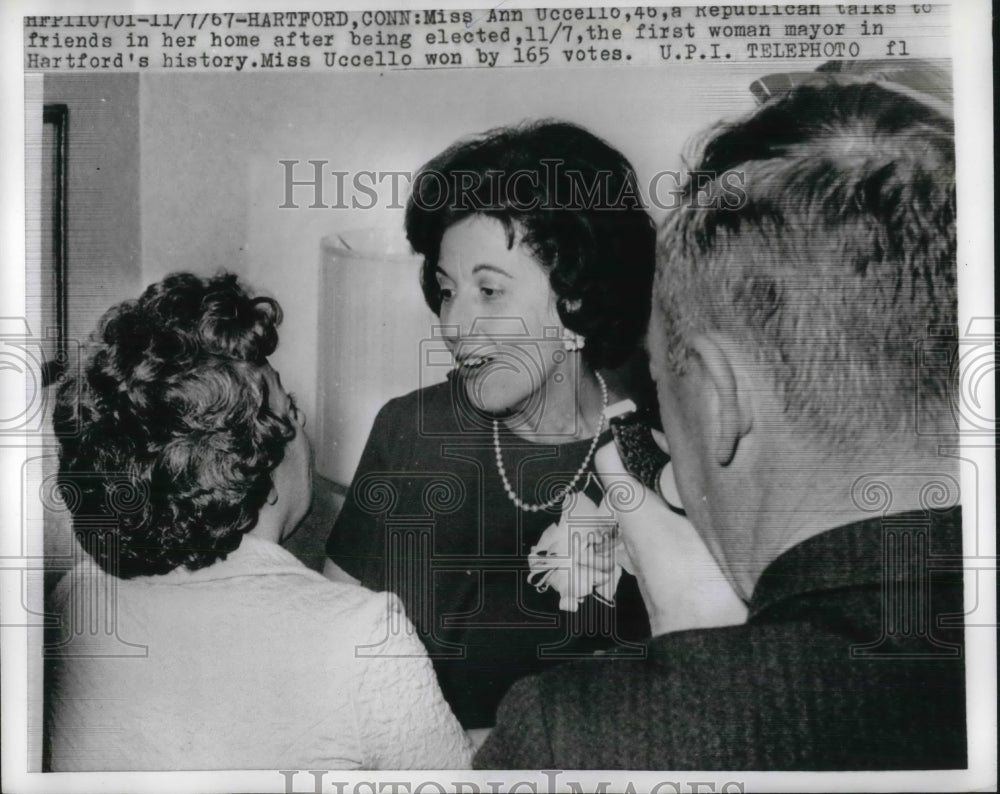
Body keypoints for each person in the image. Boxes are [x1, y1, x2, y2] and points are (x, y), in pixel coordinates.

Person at [475, 75, 966, 769]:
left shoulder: (579, 739)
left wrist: (697, 679)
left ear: (715, 395)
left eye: (666, 389)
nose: (673, 468)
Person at [46, 273, 471, 771]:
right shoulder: (364, 634)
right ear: (261, 457)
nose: (303, 423)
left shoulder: (74, 602)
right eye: (290, 408)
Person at [324, 121, 657, 729]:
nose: (455, 326)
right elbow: (340, 682)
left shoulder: (657, 450)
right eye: (448, 291)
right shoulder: (410, 432)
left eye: (489, 291)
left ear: (577, 293)